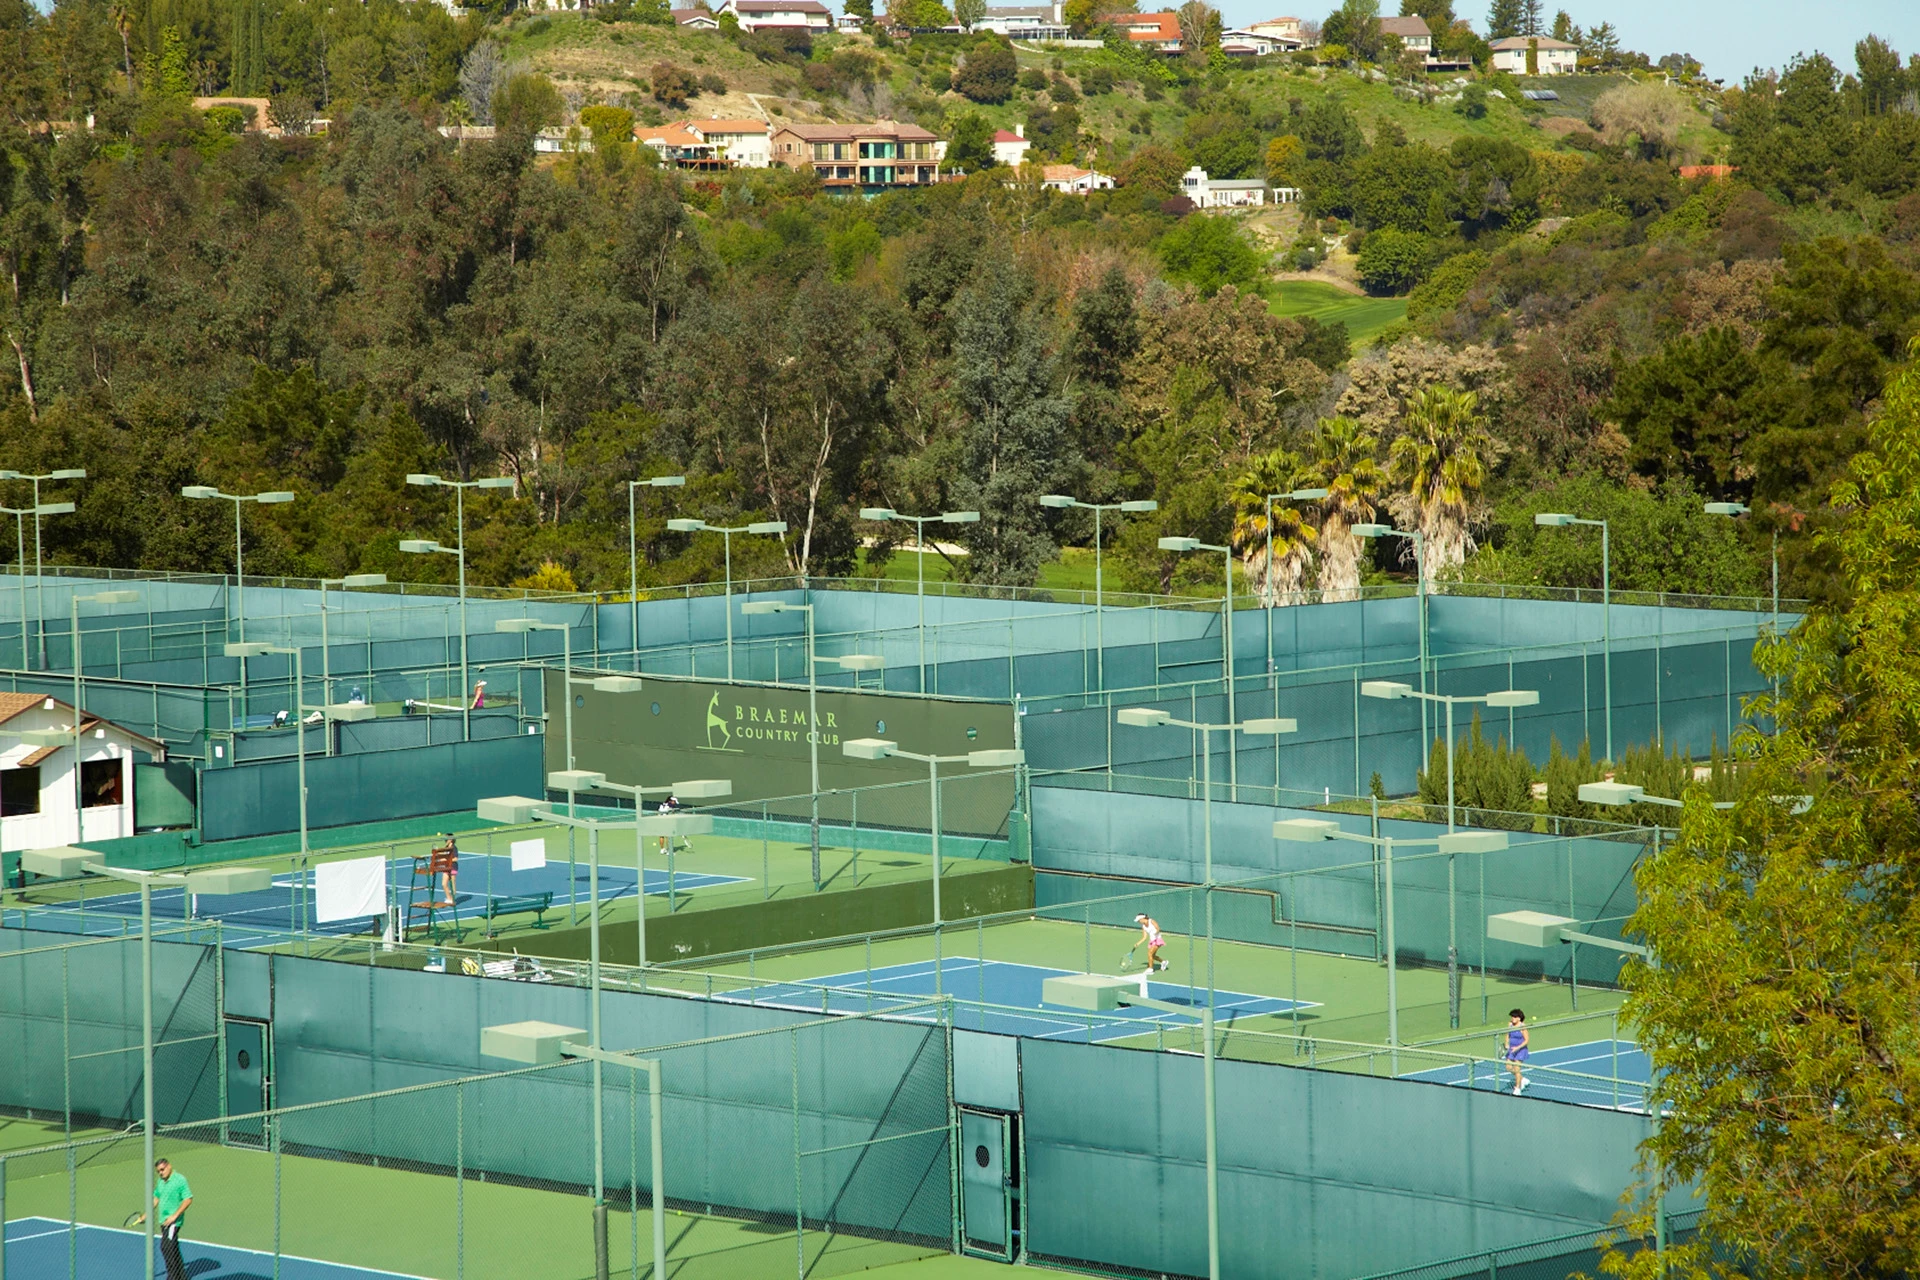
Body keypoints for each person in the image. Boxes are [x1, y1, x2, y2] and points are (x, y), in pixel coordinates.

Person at [144, 1157, 192, 1280]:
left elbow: (188, 1199)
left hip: (173, 1222)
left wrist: (174, 1216)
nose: (161, 1173)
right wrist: (146, 1213)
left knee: (166, 1247)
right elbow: (156, 1198)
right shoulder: (161, 1181)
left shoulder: (180, 1180)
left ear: (169, 1166)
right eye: (158, 1171)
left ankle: (173, 1277)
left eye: (162, 1170)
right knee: (173, 1248)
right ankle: (182, 1277)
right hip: (163, 1221)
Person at [1503, 1008, 1531, 1095]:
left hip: (1520, 1050)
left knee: (1517, 1069)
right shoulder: (1510, 1024)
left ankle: (1517, 1088)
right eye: (1512, 1017)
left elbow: (1526, 1040)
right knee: (1508, 1067)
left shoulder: (1522, 1027)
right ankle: (1522, 1079)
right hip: (1511, 1050)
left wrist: (1518, 1048)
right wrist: (1507, 1044)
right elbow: (1507, 1035)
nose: (1513, 1018)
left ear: (1519, 1018)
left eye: (1515, 1017)